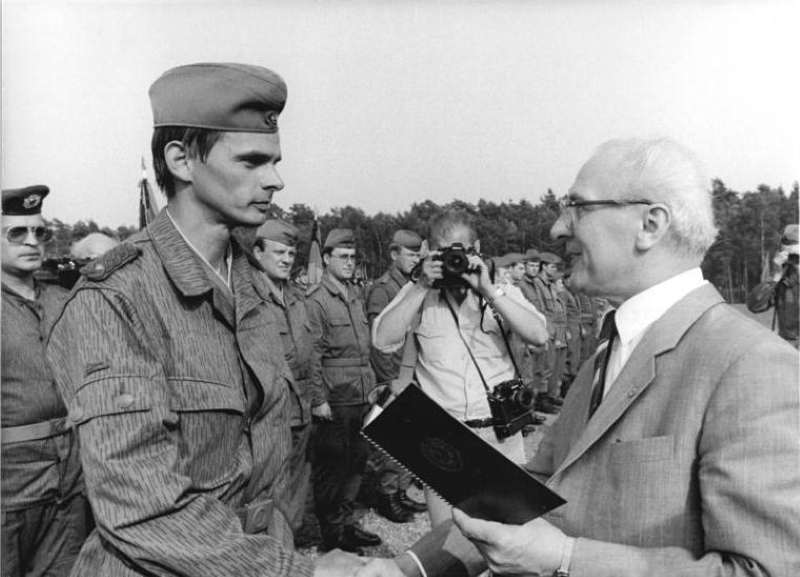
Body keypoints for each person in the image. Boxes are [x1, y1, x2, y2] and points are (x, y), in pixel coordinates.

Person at [357, 137, 800, 577]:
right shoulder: (608, 353)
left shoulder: (752, 366)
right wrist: (406, 568)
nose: (557, 228)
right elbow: (527, 495)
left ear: (650, 225)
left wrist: (566, 559)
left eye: (578, 208)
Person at [46, 63, 362, 577]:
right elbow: (141, 509)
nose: (275, 179)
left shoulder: (250, 283)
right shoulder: (116, 298)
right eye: (251, 161)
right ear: (182, 160)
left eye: (275, 161)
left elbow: (268, 462)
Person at [372, 210, 548, 527]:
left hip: (500, 433)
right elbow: (383, 340)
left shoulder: (501, 291)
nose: (455, 262)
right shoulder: (419, 293)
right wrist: (421, 286)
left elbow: (539, 336)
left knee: (506, 535)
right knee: (448, 540)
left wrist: (489, 291)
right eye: (444, 254)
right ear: (429, 252)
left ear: (476, 249)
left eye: (462, 252)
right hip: (444, 436)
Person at [2, 185, 90, 577]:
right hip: (10, 485)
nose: (32, 241)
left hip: (68, 480)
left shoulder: (63, 300)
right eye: (17, 233)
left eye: (40, 232)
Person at [306, 228, 382, 552]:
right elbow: (312, 355)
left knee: (356, 465)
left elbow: (364, 348)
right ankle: (332, 533)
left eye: (352, 257)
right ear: (326, 259)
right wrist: (318, 399)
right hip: (335, 398)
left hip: (362, 394)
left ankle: (347, 523)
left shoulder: (355, 295)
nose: (350, 263)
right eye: (343, 257)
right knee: (332, 469)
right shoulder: (317, 300)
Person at [251, 219, 313, 533]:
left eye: (291, 253)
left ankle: (290, 540)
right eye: (279, 252)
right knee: (268, 488)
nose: (287, 259)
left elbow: (311, 353)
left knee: (297, 483)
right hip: (269, 411)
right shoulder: (248, 298)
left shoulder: (296, 297)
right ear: (257, 253)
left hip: (301, 407)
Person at [364, 230, 427, 523]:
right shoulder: (383, 288)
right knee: (390, 442)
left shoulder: (413, 285)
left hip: (408, 373)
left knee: (408, 437)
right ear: (393, 254)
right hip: (392, 376)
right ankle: (387, 494)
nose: (415, 259)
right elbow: (378, 342)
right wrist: (390, 381)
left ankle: (401, 490)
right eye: (410, 254)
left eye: (418, 255)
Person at [747, 223, 799, 347]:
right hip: (789, 348)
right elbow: (754, 306)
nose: (794, 260)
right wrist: (776, 276)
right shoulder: (782, 278)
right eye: (791, 256)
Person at [534, 251, 568, 408]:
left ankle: (548, 396)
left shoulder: (547, 285)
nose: (555, 270)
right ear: (544, 267)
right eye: (552, 267)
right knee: (542, 367)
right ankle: (541, 400)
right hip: (545, 330)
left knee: (550, 366)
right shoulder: (538, 284)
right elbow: (540, 310)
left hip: (552, 330)